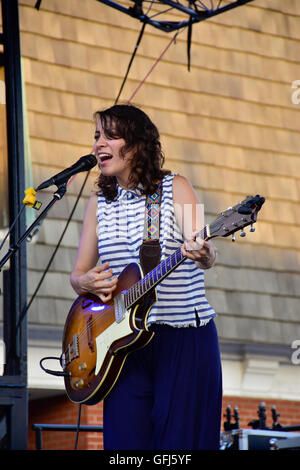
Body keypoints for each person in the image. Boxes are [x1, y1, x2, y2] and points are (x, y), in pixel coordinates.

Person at [70, 104, 222, 450]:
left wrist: (205, 252)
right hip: (123, 344)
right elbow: (78, 274)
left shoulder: (177, 186)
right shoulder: (98, 203)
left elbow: (208, 253)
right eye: (96, 136)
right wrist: (84, 283)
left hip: (183, 338)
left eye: (110, 135)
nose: (98, 144)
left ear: (137, 145)